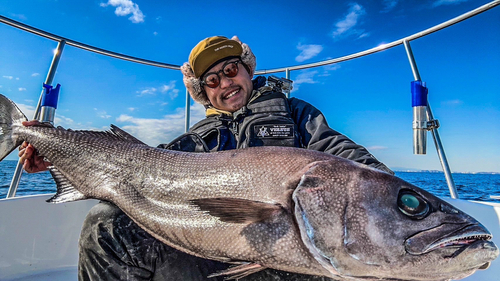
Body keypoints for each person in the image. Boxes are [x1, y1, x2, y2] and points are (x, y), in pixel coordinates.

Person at [19, 35, 392, 281]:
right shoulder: (194, 141)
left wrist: (392, 198)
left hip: (299, 258)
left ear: (248, 71)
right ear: (202, 93)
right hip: (218, 258)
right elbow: (139, 176)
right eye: (211, 81)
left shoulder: (297, 115)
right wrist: (55, 158)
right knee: (106, 226)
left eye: (231, 71)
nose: (225, 83)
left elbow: (352, 161)